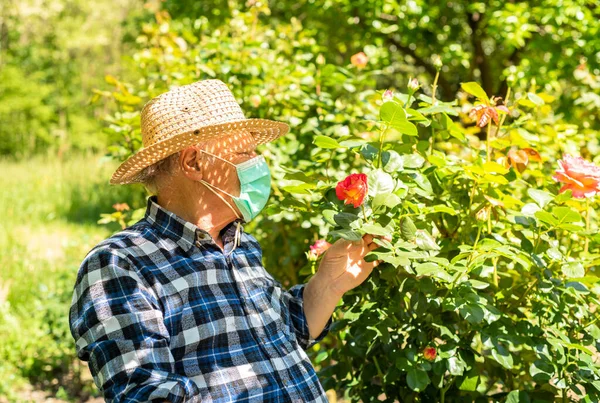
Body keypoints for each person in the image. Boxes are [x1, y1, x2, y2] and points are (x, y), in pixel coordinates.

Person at [69, 79, 387, 402]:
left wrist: (329, 283)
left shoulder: (240, 245)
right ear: (193, 162)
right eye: (244, 152)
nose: (257, 163)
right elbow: (149, 394)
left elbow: (285, 333)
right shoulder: (121, 264)